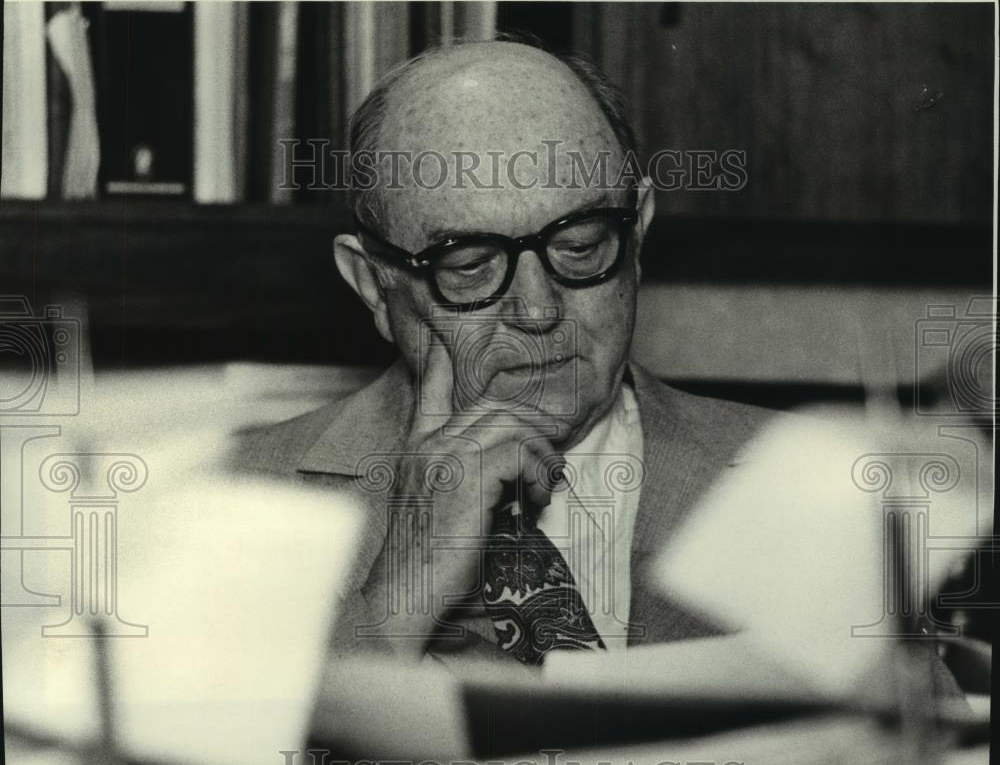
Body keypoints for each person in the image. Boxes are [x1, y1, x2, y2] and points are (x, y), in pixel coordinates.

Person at [237, 38, 777, 668]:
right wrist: (405, 589)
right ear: (372, 285)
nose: (538, 311)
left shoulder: (821, 482)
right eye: (468, 265)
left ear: (638, 234)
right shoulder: (229, 506)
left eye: (579, 245)